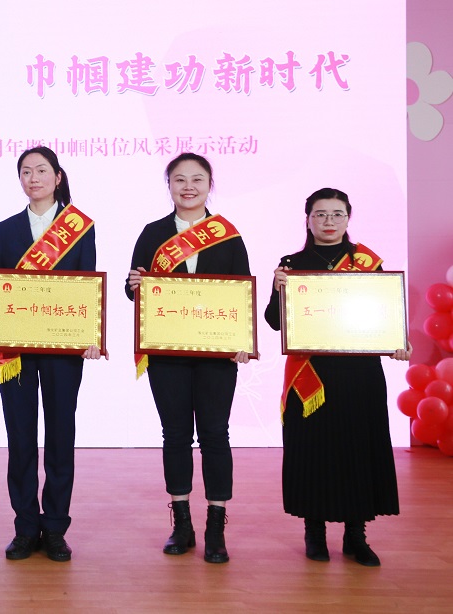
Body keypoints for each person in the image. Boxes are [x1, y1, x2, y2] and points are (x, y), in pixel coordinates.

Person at [264, 187, 407, 567]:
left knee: (358, 451)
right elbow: (275, 322)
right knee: (313, 453)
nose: (329, 221)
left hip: (360, 375)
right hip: (312, 374)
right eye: (321, 214)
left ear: (348, 217)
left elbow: (385, 315)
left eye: (337, 214)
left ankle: (356, 535)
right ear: (308, 219)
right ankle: (314, 532)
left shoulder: (367, 262)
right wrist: (278, 290)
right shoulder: (292, 263)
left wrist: (398, 341)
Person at [125, 152, 250, 564]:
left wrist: (242, 339)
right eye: (180, 179)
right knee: (175, 434)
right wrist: (135, 283)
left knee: (215, 434)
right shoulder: (153, 233)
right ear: (169, 185)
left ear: (210, 184)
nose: (189, 186)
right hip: (167, 353)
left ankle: (216, 527)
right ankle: (181, 524)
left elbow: (242, 294)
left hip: (216, 355)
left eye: (197, 179)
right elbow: (133, 288)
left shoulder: (227, 235)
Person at [0, 146, 102, 563]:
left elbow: (88, 285)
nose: (33, 178)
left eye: (42, 170)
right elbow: (1, 288)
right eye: (26, 172)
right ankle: (25, 526)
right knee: (20, 438)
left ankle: (55, 528)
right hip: (16, 347)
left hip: (62, 348)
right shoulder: (6, 229)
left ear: (58, 177)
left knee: (60, 436)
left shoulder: (80, 227)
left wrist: (90, 334)